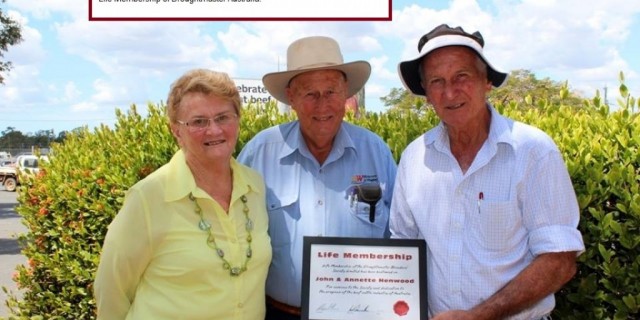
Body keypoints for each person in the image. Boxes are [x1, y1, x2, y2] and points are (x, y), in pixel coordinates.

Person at [390, 24, 585, 319]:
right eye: (437, 81)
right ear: (427, 94)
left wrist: (479, 316)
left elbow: (559, 260)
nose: (450, 92)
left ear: (487, 82)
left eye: (462, 77)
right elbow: (402, 249)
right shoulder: (414, 158)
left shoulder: (533, 151)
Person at [237, 36, 397, 320]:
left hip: (363, 315)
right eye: (310, 93)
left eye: (331, 91)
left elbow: (400, 233)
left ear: (345, 92)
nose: (323, 105)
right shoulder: (259, 154)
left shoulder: (377, 153)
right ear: (291, 97)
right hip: (280, 313)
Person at [94, 69, 272, 319]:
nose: (214, 130)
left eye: (223, 117)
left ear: (237, 120)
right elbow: (111, 291)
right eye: (199, 122)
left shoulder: (254, 186)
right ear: (177, 131)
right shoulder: (148, 197)